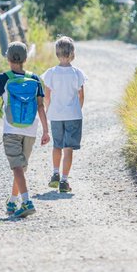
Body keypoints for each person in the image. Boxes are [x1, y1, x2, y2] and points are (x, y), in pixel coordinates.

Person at [0, 41, 50, 219]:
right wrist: (46, 131)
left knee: (17, 167)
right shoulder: (35, 79)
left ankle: (27, 202)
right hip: (31, 129)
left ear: (8, 58)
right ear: (25, 59)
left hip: (11, 128)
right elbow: (40, 107)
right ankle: (12, 201)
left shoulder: (3, 78)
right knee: (20, 168)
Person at [42, 36, 87, 193]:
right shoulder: (77, 74)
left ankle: (55, 172)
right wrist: (77, 109)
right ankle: (64, 180)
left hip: (56, 115)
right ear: (72, 53)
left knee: (57, 146)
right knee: (68, 149)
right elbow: (81, 96)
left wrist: (49, 110)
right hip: (73, 115)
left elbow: (47, 96)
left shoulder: (51, 73)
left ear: (57, 53)